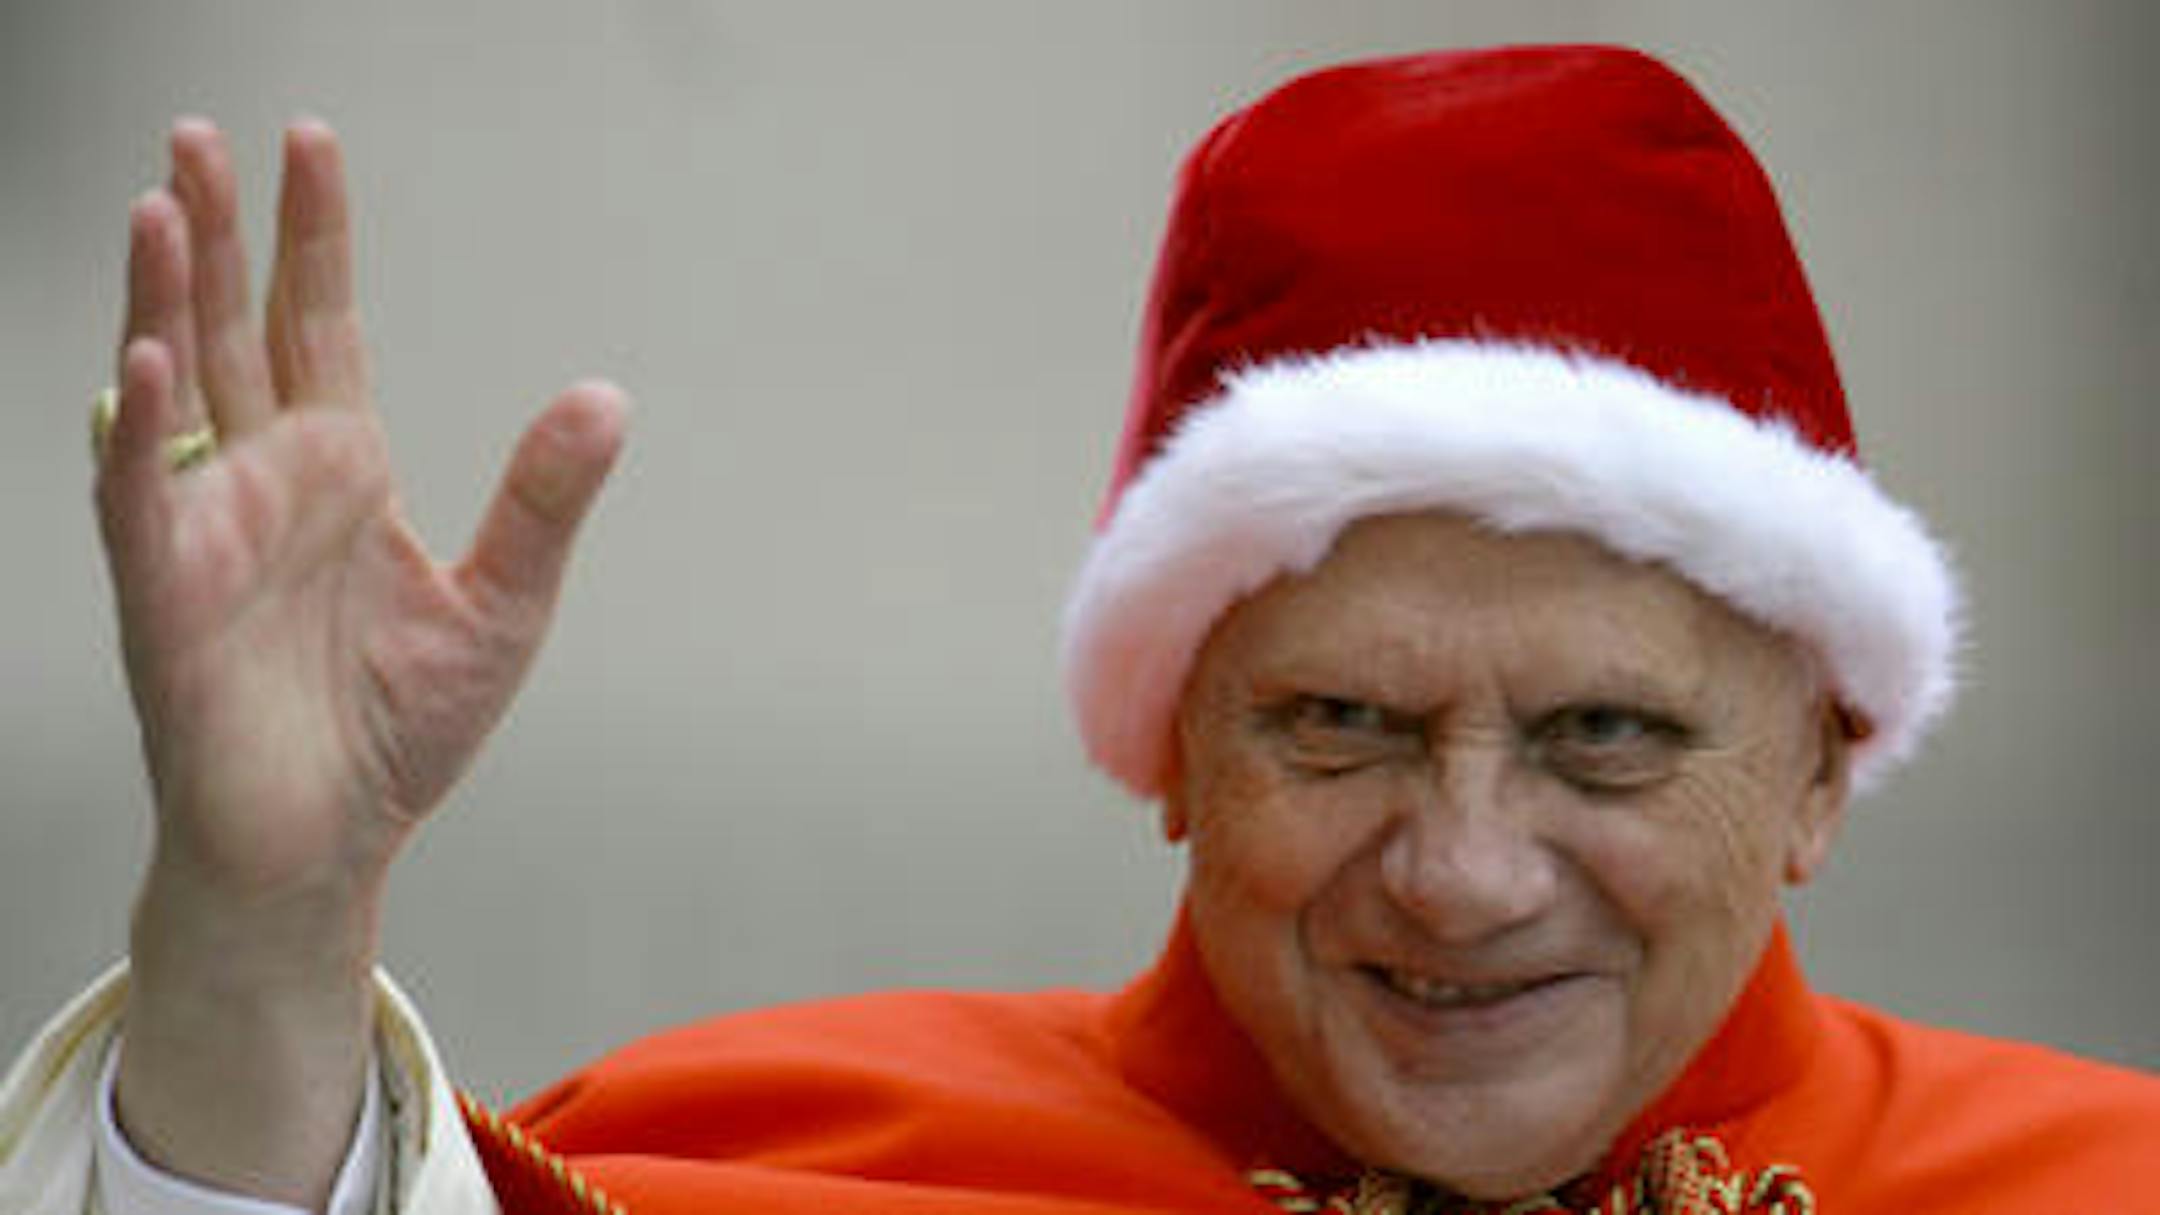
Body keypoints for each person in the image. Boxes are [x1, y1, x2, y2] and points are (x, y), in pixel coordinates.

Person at [3, 43, 2155, 1215]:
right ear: (1173, 748)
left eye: (1604, 732)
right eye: (1338, 720)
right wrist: (262, 924)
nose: (1465, 867)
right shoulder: (737, 1165)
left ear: (1822, 767)